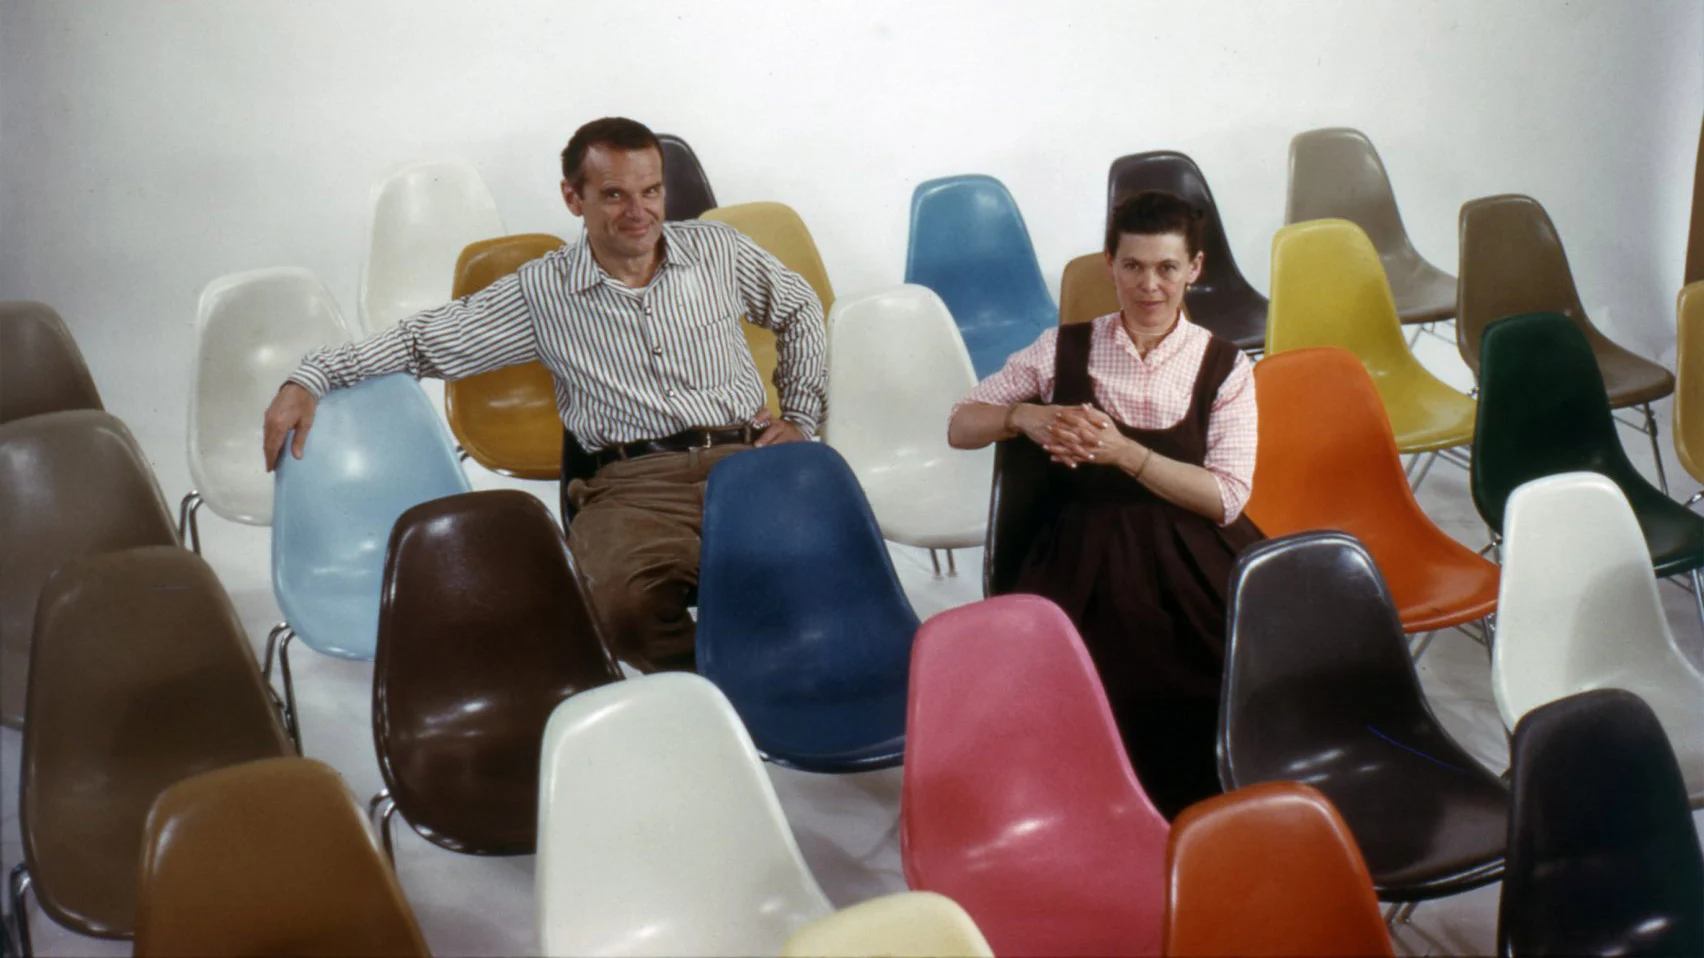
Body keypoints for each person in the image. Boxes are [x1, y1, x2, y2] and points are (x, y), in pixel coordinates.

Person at [262, 117, 828, 673]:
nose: (639, 212)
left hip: (746, 459)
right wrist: (310, 376)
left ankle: (776, 680)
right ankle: (720, 699)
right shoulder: (542, 293)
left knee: (822, 565)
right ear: (572, 197)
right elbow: (422, 341)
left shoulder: (717, 250)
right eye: (613, 194)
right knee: (620, 610)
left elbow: (800, 308)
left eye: (650, 191)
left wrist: (800, 417)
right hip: (632, 487)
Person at [946, 190, 1262, 818]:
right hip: (1080, 548)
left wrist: (1125, 454)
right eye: (1133, 266)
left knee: (1229, 667)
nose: (1150, 285)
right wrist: (1024, 416)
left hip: (1194, 549)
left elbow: (1225, 498)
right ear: (1109, 265)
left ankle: (1198, 820)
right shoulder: (1062, 346)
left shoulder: (1225, 366)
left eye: (1167, 268)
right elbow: (960, 424)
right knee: (1071, 683)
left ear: (1194, 269)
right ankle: (1096, 818)